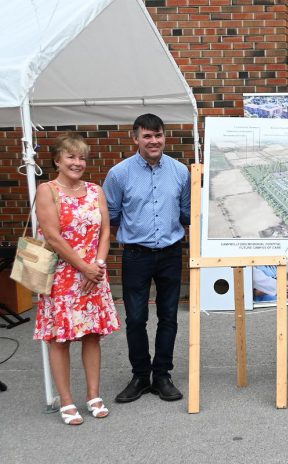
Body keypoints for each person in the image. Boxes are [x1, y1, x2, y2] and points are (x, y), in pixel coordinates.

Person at [104, 114, 191, 403]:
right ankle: (141, 376)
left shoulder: (180, 172)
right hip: (136, 255)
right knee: (136, 318)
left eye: (158, 135)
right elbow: (111, 216)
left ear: (165, 137)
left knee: (169, 317)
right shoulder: (119, 174)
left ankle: (162, 375)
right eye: (147, 136)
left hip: (170, 254)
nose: (153, 141)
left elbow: (187, 212)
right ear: (135, 138)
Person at [34, 133, 120, 425]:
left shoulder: (96, 191)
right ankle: (66, 400)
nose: (77, 162)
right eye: (71, 156)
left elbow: (106, 231)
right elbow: (53, 237)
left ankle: (93, 395)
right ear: (58, 160)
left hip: (94, 275)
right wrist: (83, 267)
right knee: (60, 340)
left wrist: (96, 265)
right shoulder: (48, 191)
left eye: (82, 157)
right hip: (63, 276)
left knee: (92, 335)